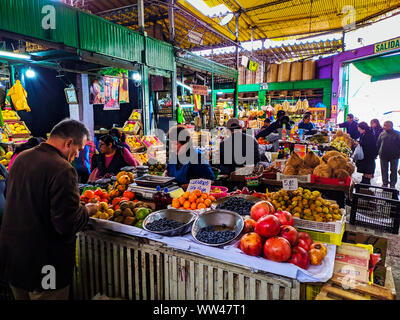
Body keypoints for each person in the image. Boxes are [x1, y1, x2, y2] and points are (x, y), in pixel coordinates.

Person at [0, 119, 92, 300]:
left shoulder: (21, 159)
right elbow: (67, 223)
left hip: (13, 260)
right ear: (68, 143)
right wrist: (87, 210)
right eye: (79, 149)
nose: (77, 155)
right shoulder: (63, 169)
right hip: (45, 265)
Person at [377, 121, 400, 188]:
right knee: (384, 170)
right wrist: (379, 152)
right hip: (383, 155)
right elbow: (378, 143)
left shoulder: (397, 134)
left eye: (385, 125)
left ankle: (392, 184)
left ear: (390, 126)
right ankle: (385, 183)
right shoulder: (382, 134)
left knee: (393, 170)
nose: (383, 126)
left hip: (394, 156)